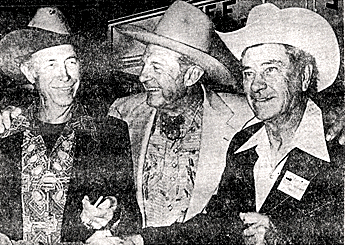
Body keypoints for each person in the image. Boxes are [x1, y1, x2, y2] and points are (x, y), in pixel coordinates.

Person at [107, 0, 253, 242]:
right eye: (144, 63)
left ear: (192, 75)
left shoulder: (243, 116)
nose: (143, 75)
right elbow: (114, 191)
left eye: (156, 66)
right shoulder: (123, 111)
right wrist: (108, 208)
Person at [0, 7, 140, 245]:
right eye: (51, 64)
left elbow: (130, 212)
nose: (64, 75)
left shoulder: (109, 133)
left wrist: (109, 214)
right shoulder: (6, 130)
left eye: (71, 62)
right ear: (29, 72)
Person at [205, 3, 343, 244]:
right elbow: (214, 227)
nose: (256, 86)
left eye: (270, 70)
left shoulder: (337, 148)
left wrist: (284, 241)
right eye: (249, 73)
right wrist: (140, 240)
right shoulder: (242, 145)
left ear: (304, 76)